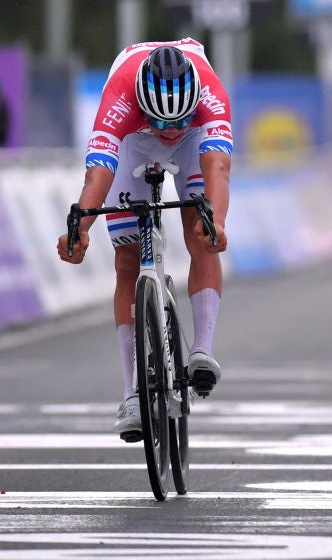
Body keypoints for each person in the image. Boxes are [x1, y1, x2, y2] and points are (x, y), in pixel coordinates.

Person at [56, 39, 232, 442]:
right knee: (127, 260)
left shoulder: (210, 95)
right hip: (133, 139)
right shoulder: (120, 94)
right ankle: (132, 394)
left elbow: (217, 169)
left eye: (177, 121)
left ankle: (202, 351)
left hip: (195, 142)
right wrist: (80, 228)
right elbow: (99, 172)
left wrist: (217, 222)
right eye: (162, 122)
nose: (169, 132)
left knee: (202, 231)